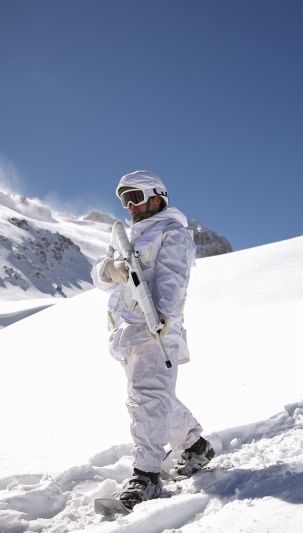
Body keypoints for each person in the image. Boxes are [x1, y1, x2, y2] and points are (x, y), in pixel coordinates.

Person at [92, 170, 215, 510]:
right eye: (124, 200)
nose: (129, 206)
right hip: (126, 331)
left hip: (155, 328)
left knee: (147, 399)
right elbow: (100, 276)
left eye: (135, 198)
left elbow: (174, 277)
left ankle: (146, 475)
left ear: (156, 196)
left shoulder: (171, 231)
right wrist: (112, 270)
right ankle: (195, 447)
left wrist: (162, 317)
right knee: (151, 396)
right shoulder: (124, 235)